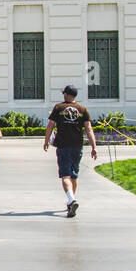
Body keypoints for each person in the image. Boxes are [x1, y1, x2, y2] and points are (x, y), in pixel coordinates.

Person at [43, 84, 97, 218]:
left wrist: (46, 141)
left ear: (67, 94)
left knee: (65, 175)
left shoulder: (59, 107)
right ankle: (71, 200)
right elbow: (89, 129)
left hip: (63, 146)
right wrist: (94, 147)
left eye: (64, 94)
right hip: (77, 146)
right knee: (74, 174)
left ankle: (71, 200)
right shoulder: (82, 109)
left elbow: (50, 125)